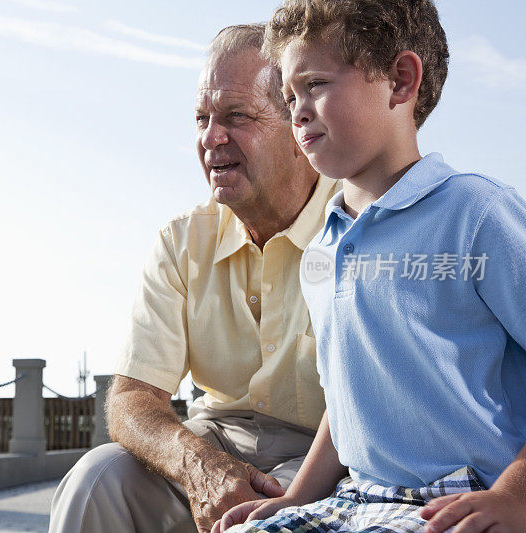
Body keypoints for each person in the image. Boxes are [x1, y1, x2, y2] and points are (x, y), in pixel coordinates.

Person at [213, 1, 526, 532]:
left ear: (400, 81)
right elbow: (350, 402)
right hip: (354, 499)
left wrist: (515, 498)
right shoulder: (321, 252)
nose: (298, 111)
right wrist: (294, 500)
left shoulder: (477, 214)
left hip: (458, 500)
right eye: (289, 96)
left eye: (315, 84)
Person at [48, 24, 340, 533]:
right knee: (95, 481)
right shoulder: (180, 241)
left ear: (298, 124)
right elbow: (132, 400)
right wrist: (196, 463)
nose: (211, 138)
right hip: (213, 438)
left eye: (236, 116)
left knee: (265, 523)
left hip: (331, 452)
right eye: (202, 119)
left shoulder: (359, 225)